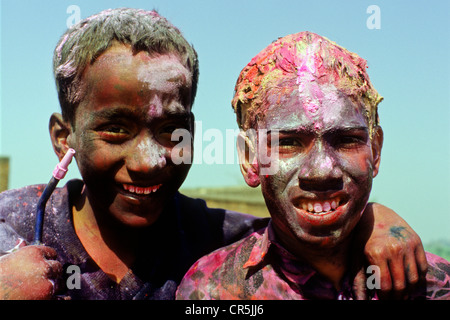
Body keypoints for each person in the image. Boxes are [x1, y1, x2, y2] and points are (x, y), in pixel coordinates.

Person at [0, 10, 426, 300]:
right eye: (115, 130)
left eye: (171, 131)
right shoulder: (9, 226)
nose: (148, 160)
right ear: (63, 137)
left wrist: (373, 220)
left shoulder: (216, 238)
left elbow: (305, 223)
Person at [176, 32, 450, 300]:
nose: (321, 171)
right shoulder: (214, 292)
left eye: (345, 140)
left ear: (375, 151)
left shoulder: (430, 286)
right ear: (250, 158)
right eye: (289, 142)